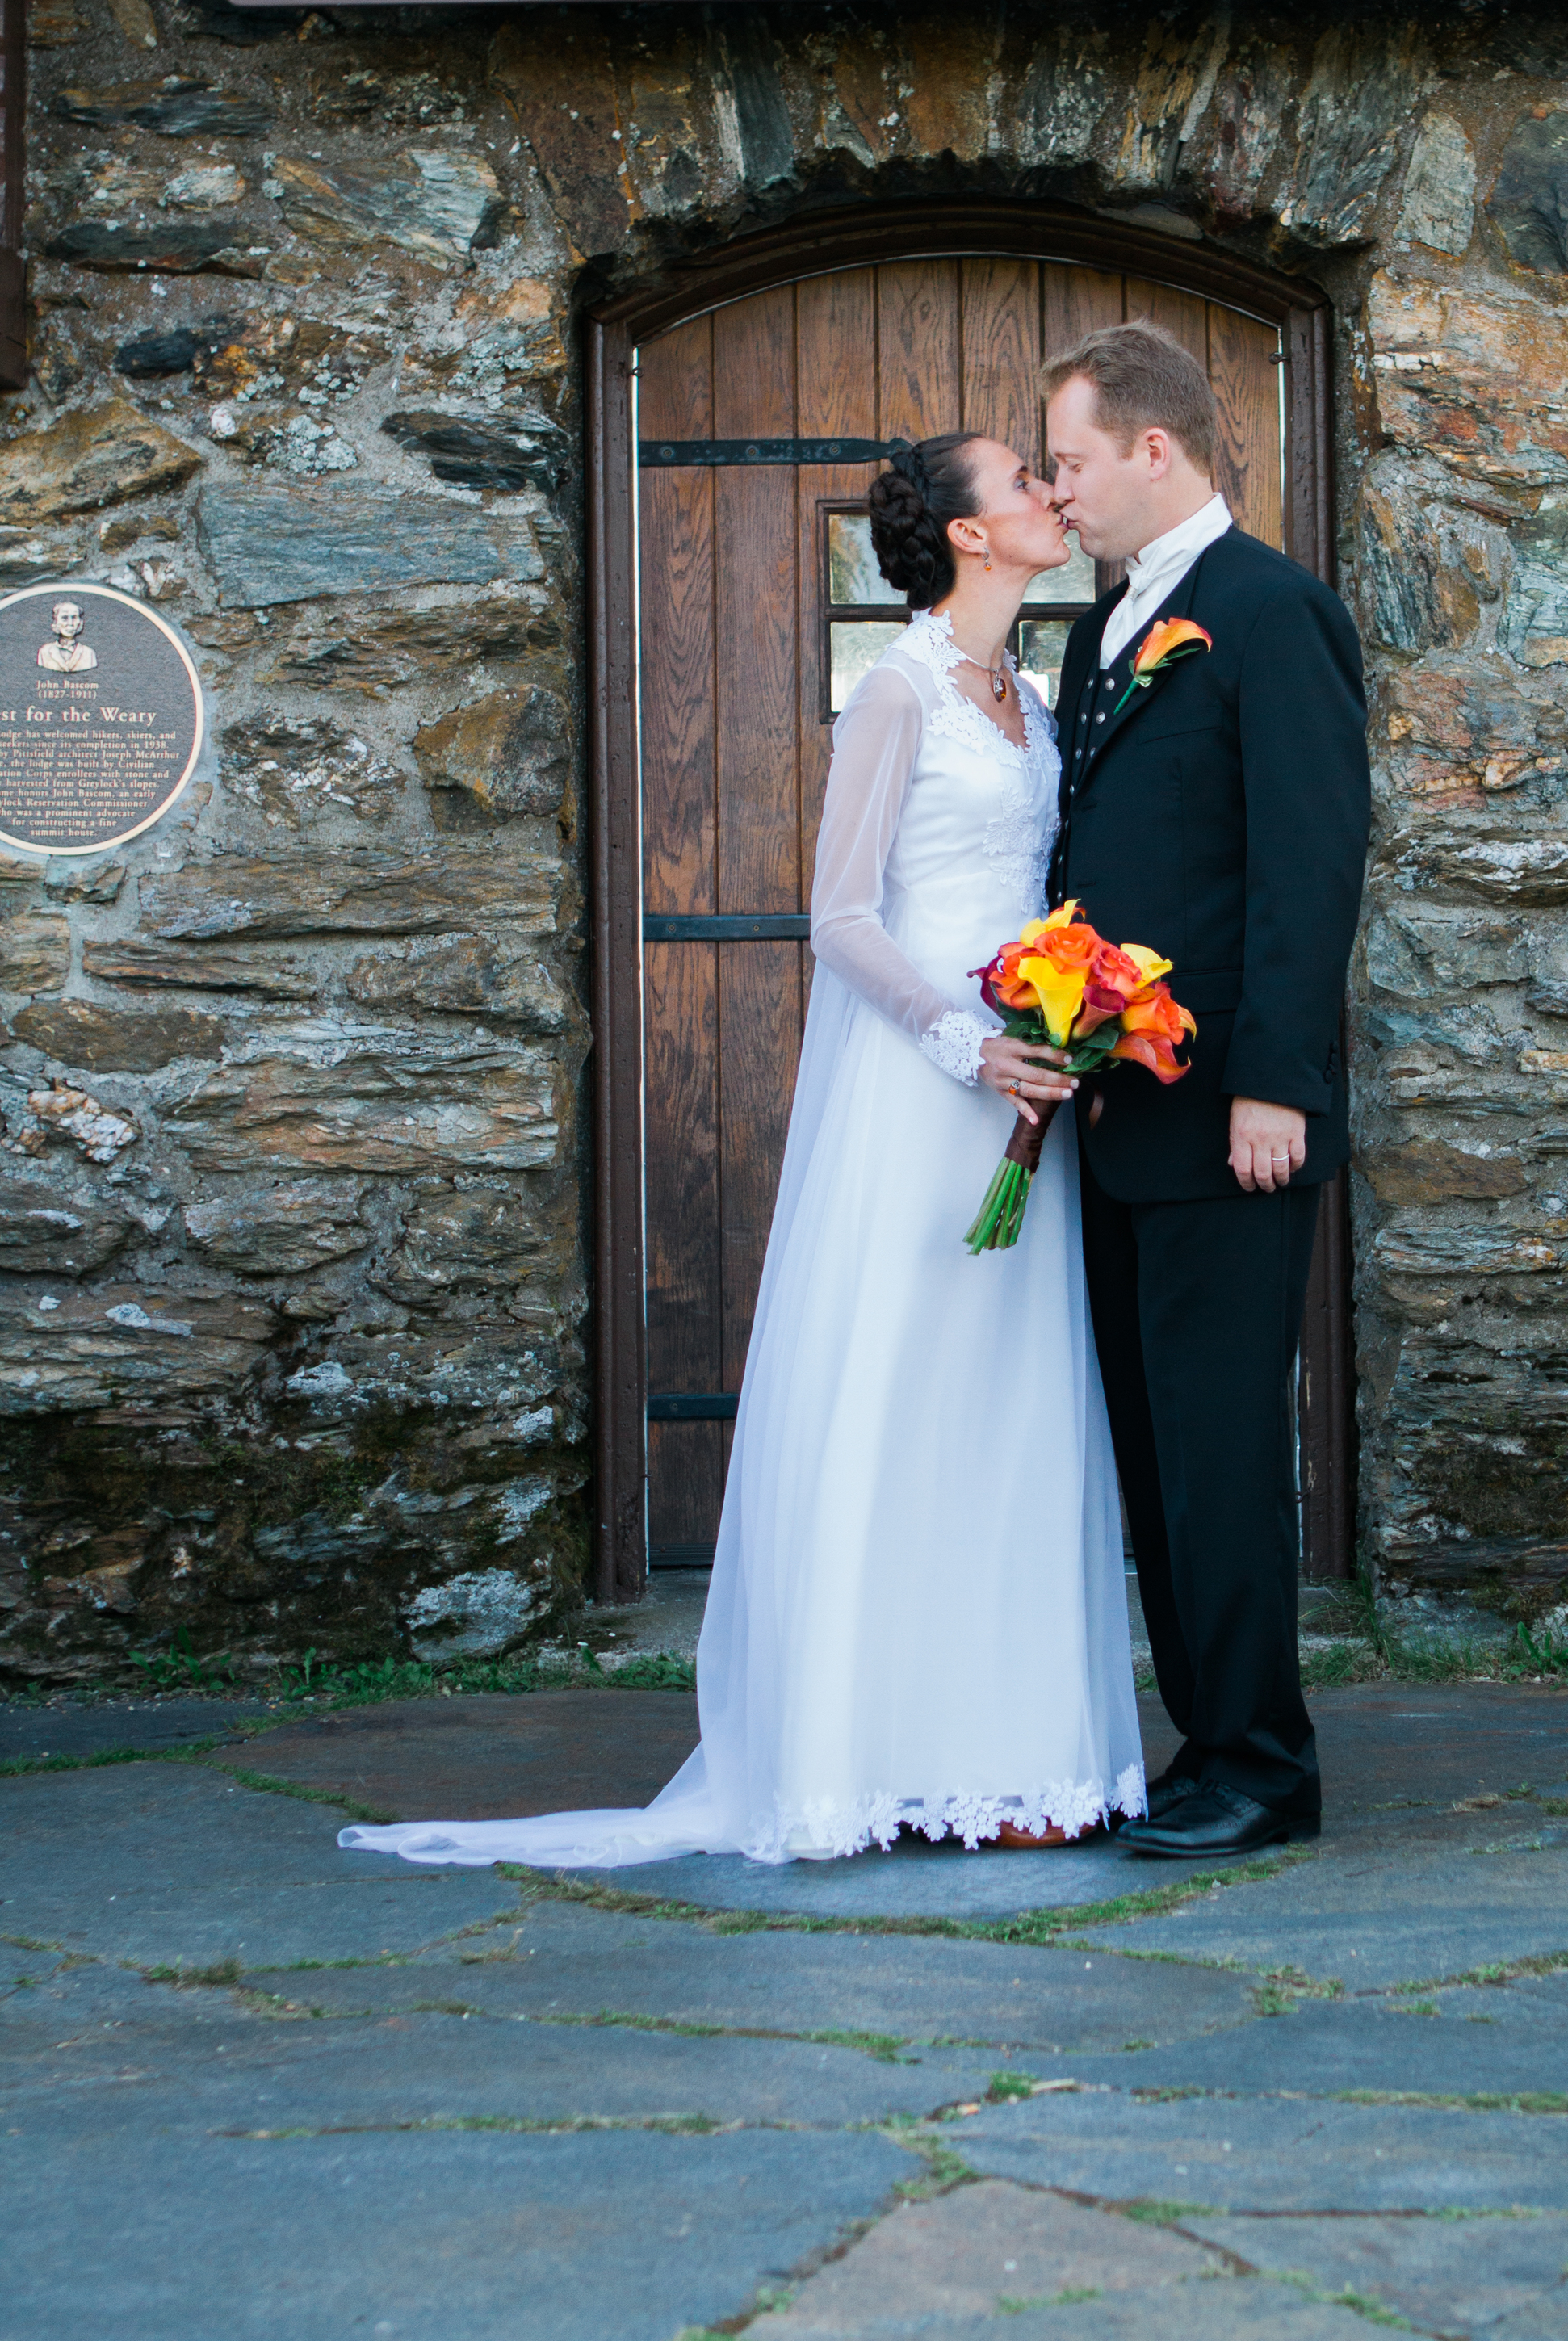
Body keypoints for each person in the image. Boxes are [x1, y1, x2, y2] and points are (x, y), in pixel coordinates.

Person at [341, 433, 1143, 1871]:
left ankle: (1013, 1757)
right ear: (967, 535)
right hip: (929, 1089)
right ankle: (862, 1758)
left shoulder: (1030, 694)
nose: (1048, 495)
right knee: (901, 1402)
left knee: (1011, 1416)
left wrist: (1072, 1017)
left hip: (1033, 1084)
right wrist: (969, 1041)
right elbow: (840, 917)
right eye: (1022, 480)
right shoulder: (896, 693)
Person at [1044, 322, 1369, 1862]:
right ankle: (1205, 1738)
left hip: (1233, 1119)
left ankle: (1266, 1762)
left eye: (1073, 461)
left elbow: (1310, 864)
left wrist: (1276, 1084)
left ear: (1153, 452)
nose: (1060, 490)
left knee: (1227, 1446)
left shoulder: (1271, 610)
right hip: (1121, 1121)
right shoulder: (1097, 630)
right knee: (1158, 1447)